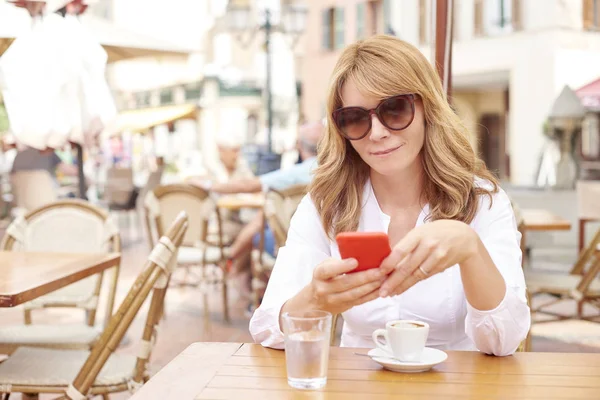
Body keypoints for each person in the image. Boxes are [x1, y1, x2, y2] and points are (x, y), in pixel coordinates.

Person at [249, 35, 530, 356]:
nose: (378, 132)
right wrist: (315, 298)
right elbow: (268, 328)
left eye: (394, 110)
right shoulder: (325, 203)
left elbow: (504, 341)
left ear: (428, 108)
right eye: (355, 119)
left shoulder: (481, 200)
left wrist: (470, 249)